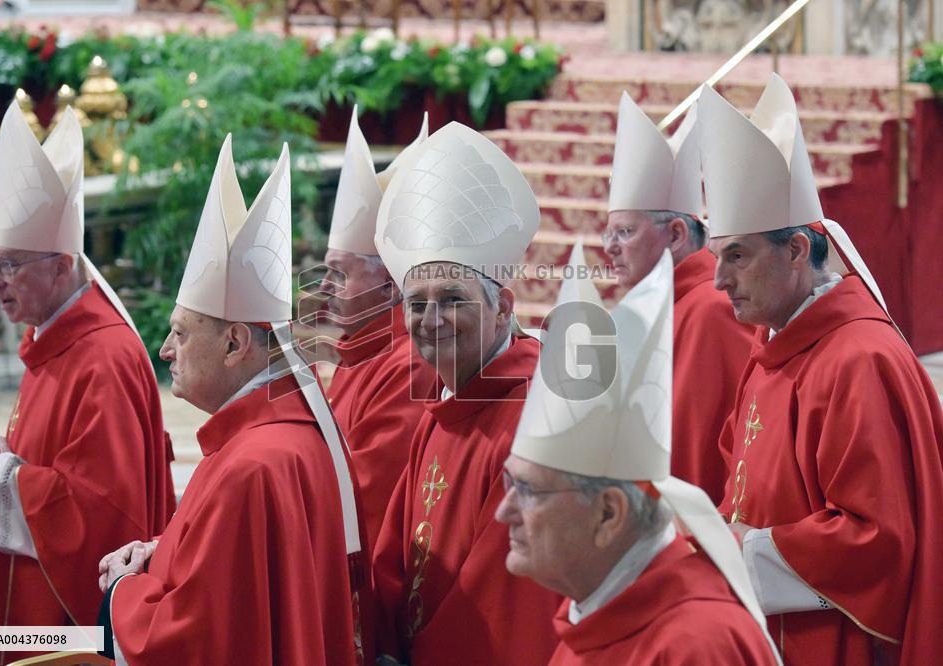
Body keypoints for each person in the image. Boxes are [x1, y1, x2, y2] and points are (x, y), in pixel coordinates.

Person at [699, 74, 943, 665]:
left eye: (738, 256)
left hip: (833, 642)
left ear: (795, 251)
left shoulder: (860, 360)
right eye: (716, 257)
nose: (719, 280)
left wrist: (744, 552)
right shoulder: (772, 345)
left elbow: (877, 539)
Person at [97, 137, 369, 664]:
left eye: (180, 333)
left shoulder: (252, 464)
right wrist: (160, 554)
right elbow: (241, 576)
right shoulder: (287, 436)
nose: (165, 350)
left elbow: (197, 637)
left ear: (233, 344)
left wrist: (123, 591)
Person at [0, 101, 175, 666]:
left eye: (10, 266)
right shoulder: (51, 336)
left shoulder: (103, 357)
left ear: (61, 265)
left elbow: (106, 513)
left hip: (63, 621)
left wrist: (6, 475)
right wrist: (3, 464)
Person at [498, 242, 779, 665]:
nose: (504, 512)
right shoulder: (590, 612)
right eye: (511, 482)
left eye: (528, 490)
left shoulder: (699, 646)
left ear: (609, 514)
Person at [371, 122, 561, 665]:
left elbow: (502, 602)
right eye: (416, 303)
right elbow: (393, 557)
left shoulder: (533, 417)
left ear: (503, 308)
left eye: (453, 299)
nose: (431, 320)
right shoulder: (442, 409)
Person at [603, 92, 753, 503]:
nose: (610, 248)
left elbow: (709, 449)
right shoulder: (650, 307)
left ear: (675, 235)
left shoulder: (714, 309)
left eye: (625, 232)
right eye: (608, 233)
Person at [321, 107, 437, 549]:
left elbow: (366, 492)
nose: (324, 286)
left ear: (390, 285)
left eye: (338, 272)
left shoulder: (410, 363)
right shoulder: (360, 350)